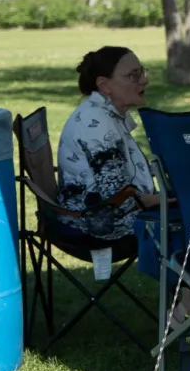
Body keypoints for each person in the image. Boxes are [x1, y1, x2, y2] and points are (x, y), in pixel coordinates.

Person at [58, 47, 160, 239]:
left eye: (142, 72)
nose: (144, 81)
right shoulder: (96, 122)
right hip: (99, 224)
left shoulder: (107, 113)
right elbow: (119, 197)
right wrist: (164, 200)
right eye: (133, 75)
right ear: (105, 85)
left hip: (110, 214)